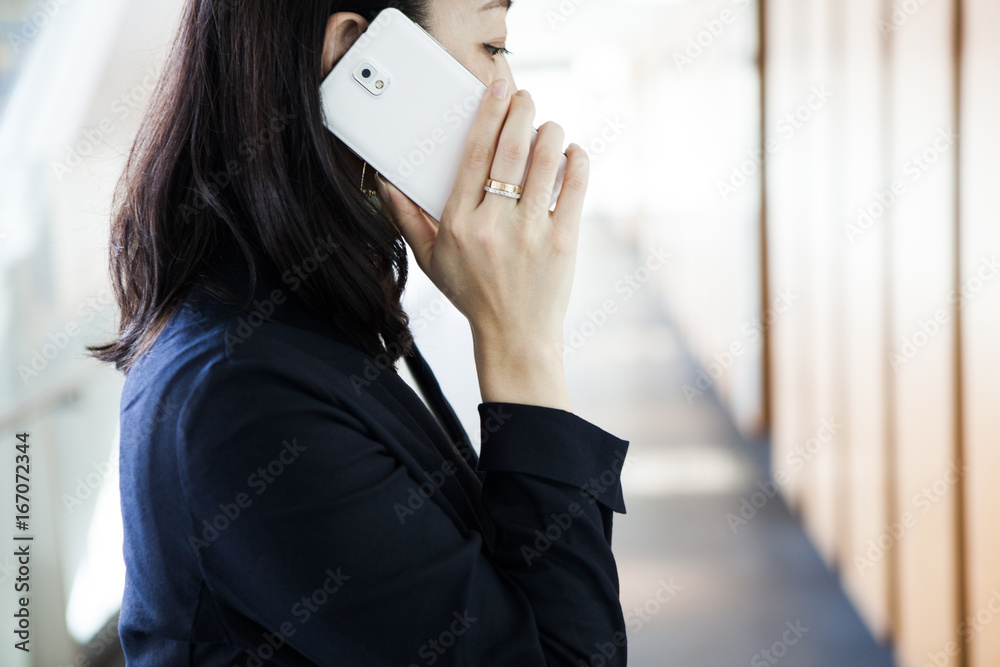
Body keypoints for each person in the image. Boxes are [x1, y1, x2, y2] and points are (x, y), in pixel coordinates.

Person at [91, 1, 630, 664]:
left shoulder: (285, 320)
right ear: (355, 50)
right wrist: (523, 342)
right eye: (493, 45)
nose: (510, 89)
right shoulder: (246, 403)